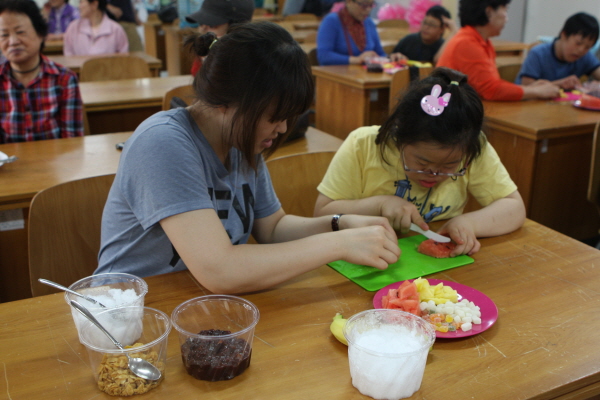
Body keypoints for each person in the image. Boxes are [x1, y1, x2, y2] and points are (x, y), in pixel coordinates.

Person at [95, 21, 400, 293]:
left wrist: (340, 224)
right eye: (274, 117)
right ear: (225, 103)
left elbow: (273, 228)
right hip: (127, 314)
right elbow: (220, 270)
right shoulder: (163, 142)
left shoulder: (242, 141)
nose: (281, 129)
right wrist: (339, 244)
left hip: (197, 305)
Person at [314, 67, 526, 257]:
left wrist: (469, 223)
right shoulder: (363, 145)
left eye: (449, 167)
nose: (433, 174)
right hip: (363, 257)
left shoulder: (472, 146)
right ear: (399, 138)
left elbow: (514, 207)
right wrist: (380, 204)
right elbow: (322, 214)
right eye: (422, 163)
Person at [436, 0, 559, 101]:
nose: (507, 18)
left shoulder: (482, 41)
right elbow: (491, 90)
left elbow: (492, 85)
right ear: (489, 12)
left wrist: (529, 89)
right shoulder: (466, 42)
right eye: (505, 9)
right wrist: (535, 91)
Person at [0, 0, 83, 143]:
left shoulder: (64, 79)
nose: (13, 41)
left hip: (56, 163)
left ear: (40, 34)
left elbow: (73, 143)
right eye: (4, 35)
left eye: (20, 32)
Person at [516, 12, 600, 90]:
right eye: (578, 43)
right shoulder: (538, 54)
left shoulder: (585, 57)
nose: (581, 50)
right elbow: (526, 89)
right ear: (563, 35)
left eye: (588, 47)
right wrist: (560, 84)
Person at [184, 0, 254, 76]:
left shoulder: (245, 58)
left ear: (236, 27)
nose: (202, 28)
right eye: (201, 23)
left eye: (212, 25)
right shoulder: (205, 45)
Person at [316, 0, 386, 65]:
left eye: (371, 5)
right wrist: (357, 60)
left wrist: (390, 58)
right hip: (338, 75)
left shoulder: (368, 22)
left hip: (364, 75)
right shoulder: (331, 21)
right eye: (363, 5)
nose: (368, 10)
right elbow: (324, 56)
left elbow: (380, 53)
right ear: (349, 1)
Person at [390, 5, 457, 64]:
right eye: (425, 22)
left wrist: (453, 31)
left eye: (431, 24)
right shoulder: (409, 40)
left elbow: (438, 61)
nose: (426, 27)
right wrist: (395, 57)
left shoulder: (443, 46)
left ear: (442, 29)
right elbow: (390, 58)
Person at [63, 0, 128, 55]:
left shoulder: (116, 29)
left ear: (94, 4)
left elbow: (122, 59)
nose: (79, 7)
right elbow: (68, 55)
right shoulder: (73, 28)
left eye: (81, 2)